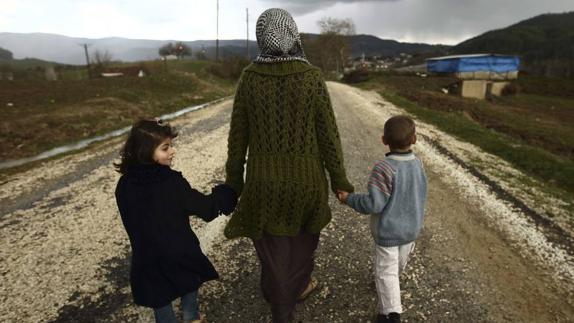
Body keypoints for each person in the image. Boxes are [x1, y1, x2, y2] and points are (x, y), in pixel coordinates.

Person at [224, 8, 354, 323]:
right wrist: (340, 180)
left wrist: (234, 182)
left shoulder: (250, 78)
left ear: (261, 39)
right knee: (302, 246)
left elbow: (237, 137)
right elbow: (328, 136)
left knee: (272, 253)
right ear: (294, 35)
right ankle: (287, 302)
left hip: (262, 184)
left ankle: (279, 297)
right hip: (307, 183)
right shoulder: (311, 77)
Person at [114, 119, 237, 323]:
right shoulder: (170, 182)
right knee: (188, 284)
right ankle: (192, 319)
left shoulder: (124, 184)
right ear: (145, 151)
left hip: (147, 257)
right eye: (165, 148)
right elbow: (206, 209)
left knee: (160, 299)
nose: (172, 151)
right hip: (179, 251)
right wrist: (226, 193)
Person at [336, 115, 427, 323]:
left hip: (389, 231)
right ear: (414, 139)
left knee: (386, 271)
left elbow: (373, 204)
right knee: (396, 266)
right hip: (411, 229)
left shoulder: (384, 168)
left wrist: (349, 199)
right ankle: (388, 289)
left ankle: (391, 313)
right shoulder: (418, 165)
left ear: (384, 140)